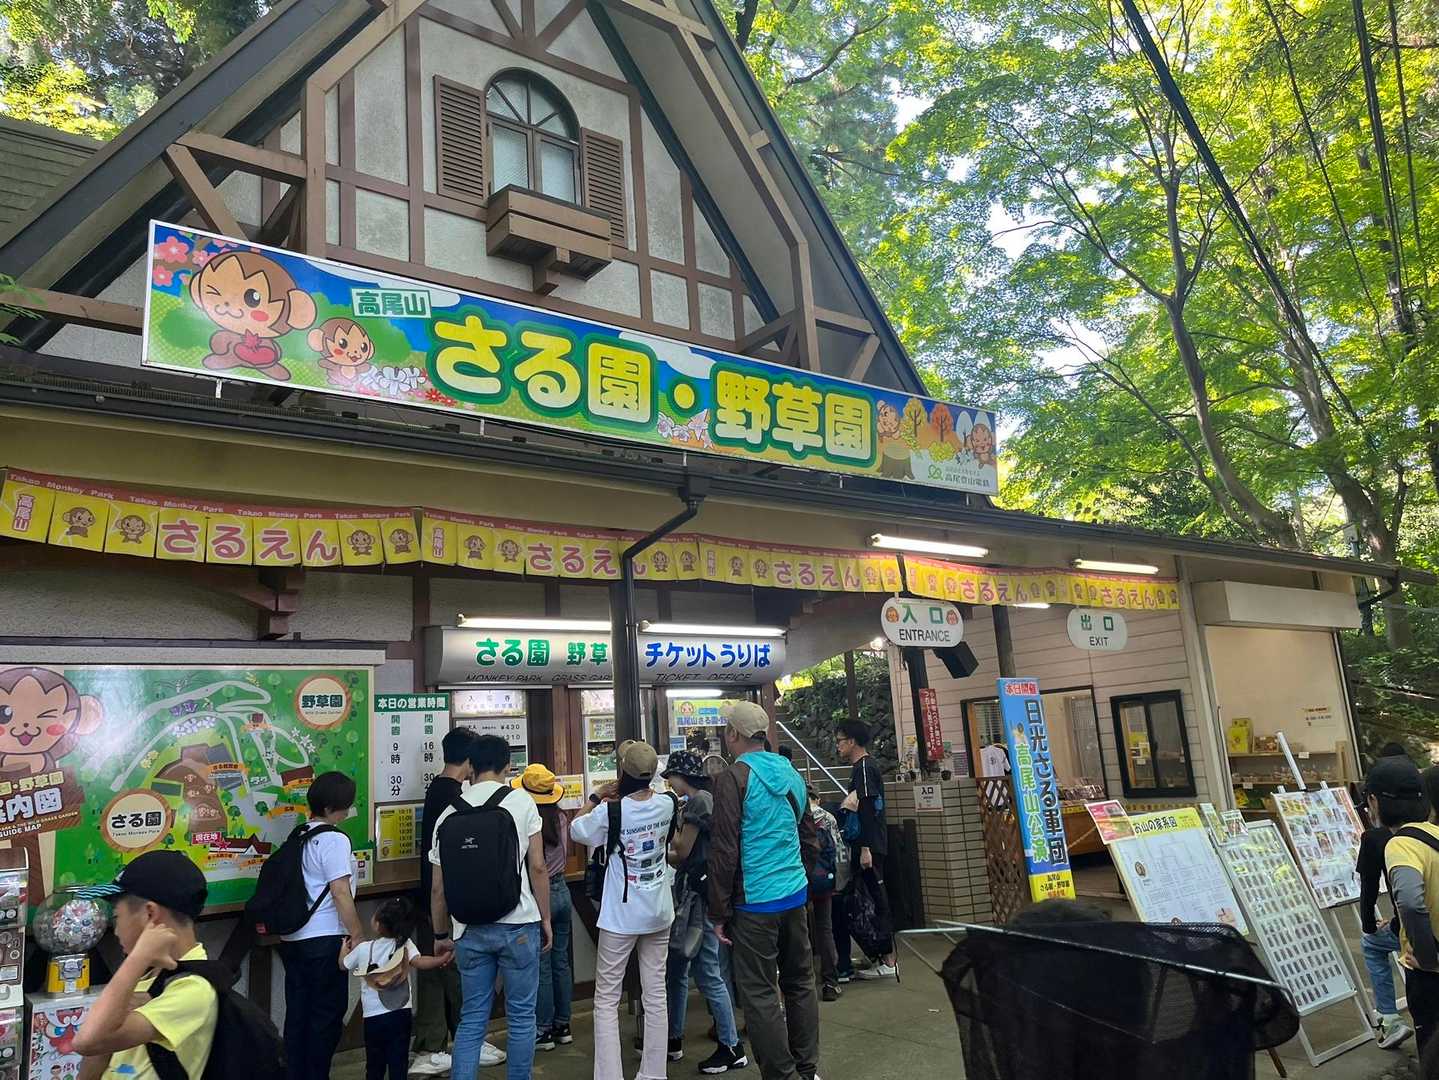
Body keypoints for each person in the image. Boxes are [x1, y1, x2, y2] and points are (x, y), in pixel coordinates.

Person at [710, 702, 820, 1080]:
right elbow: (809, 837)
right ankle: (807, 1069)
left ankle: (781, 1075)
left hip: (755, 903)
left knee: (760, 993)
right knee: (800, 983)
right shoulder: (791, 772)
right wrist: (800, 880)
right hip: (794, 895)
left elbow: (724, 851)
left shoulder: (733, 778)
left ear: (734, 734)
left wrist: (719, 912)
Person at [431, 734, 551, 1080]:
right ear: (507, 765)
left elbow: (438, 888)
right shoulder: (521, 802)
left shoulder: (448, 813)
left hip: (468, 929)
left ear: (471, 766)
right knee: (521, 1017)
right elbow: (538, 867)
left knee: (471, 1019)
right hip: (519, 923)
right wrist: (545, 918)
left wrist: (440, 934)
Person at [571, 740, 678, 1080]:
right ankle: (653, 1074)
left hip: (621, 915)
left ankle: (610, 1075)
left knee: (606, 998)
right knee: (656, 992)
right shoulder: (668, 803)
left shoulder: (611, 812)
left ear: (623, 772)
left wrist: (595, 797)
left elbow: (576, 829)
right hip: (659, 910)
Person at [72, 851, 216, 1080]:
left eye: (116, 917)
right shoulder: (150, 975)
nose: (115, 931)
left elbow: (87, 1041)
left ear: (150, 914)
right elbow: (98, 1052)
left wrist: (138, 957)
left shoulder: (194, 989)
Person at [414, 729, 505, 1075]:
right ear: (469, 760)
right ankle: (450, 1044)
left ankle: (440, 1044)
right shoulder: (453, 797)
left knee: (443, 971)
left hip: (435, 896)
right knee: (454, 971)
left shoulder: (438, 790)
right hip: (448, 898)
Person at [663, 749, 748, 1072]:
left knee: (706, 969)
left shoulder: (698, 802)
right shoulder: (704, 799)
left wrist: (660, 845)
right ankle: (674, 1039)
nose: (669, 783)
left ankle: (731, 1045)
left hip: (699, 897)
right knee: (681, 966)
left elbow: (683, 850)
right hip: (704, 893)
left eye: (670, 777)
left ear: (680, 776)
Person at [280, 770, 367, 1080]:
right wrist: (357, 934)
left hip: (293, 939)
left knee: (298, 1015)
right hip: (325, 939)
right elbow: (340, 891)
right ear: (331, 808)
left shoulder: (299, 835)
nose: (348, 811)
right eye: (345, 806)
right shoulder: (333, 840)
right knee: (325, 1018)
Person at [340, 897, 450, 1080]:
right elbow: (420, 962)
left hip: (373, 1017)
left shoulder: (363, 949)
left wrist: (344, 949)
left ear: (377, 924)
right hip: (401, 1013)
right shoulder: (405, 945)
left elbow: (343, 965)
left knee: (374, 1064)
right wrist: (441, 959)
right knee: (398, 1062)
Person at [1374, 755, 1439, 1053]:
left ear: (1374, 802)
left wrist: (1427, 958)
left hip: (1430, 976)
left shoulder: (1400, 844)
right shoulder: (1434, 835)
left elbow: (1411, 902)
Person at [514, 763, 575, 1053]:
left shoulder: (528, 821)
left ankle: (544, 1029)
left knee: (543, 966)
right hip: (563, 890)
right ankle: (564, 1025)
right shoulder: (561, 818)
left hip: (542, 896)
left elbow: (535, 867)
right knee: (561, 961)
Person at [1359, 743, 1414, 1049]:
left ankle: (1389, 1020)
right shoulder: (1428, 829)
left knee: (1371, 944)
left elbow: (1369, 891)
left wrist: (1369, 925)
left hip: (1415, 931)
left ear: (1374, 800)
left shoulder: (1375, 838)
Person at [836, 720, 895, 978]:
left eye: (840, 740)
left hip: (870, 845)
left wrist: (866, 848)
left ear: (852, 741)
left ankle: (888, 961)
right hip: (869, 844)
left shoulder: (864, 768)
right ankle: (879, 955)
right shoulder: (862, 767)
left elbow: (868, 809)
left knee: (875, 898)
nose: (837, 745)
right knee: (868, 899)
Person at [807, 786, 846, 1002]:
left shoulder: (794, 814)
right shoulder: (828, 817)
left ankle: (803, 984)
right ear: (818, 798)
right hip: (823, 879)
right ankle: (830, 983)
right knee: (825, 928)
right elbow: (838, 849)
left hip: (799, 880)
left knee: (800, 929)